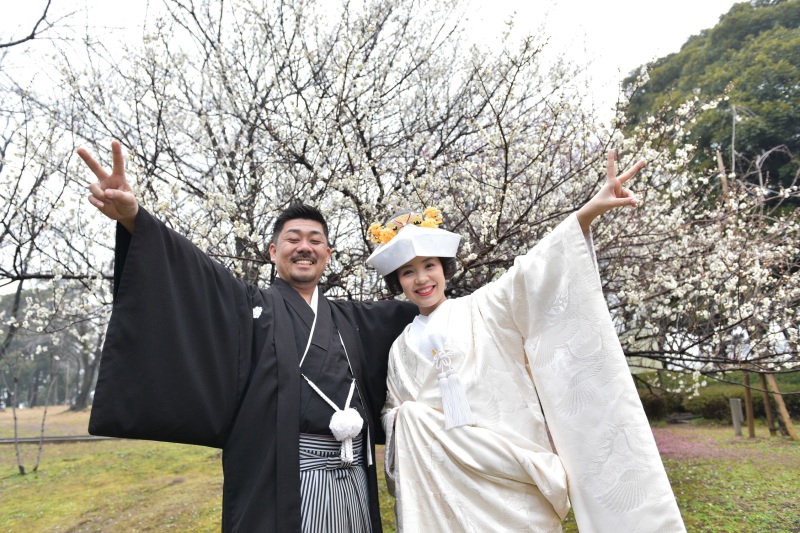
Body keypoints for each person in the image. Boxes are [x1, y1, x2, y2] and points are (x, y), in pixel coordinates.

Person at [78, 141, 417, 532]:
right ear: (273, 252)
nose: (304, 247)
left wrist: (421, 258)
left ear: (328, 253)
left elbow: (428, 311)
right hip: (283, 479)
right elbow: (192, 273)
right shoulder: (247, 307)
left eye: (314, 240)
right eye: (293, 239)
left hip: (353, 476)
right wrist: (135, 219)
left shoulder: (354, 319)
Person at [366, 152, 686, 532]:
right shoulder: (400, 350)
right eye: (408, 272)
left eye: (429, 266)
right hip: (441, 486)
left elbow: (534, 271)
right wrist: (411, 419)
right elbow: (392, 412)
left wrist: (588, 212)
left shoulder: (484, 307)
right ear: (398, 282)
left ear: (444, 269)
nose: (421, 279)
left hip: (504, 468)